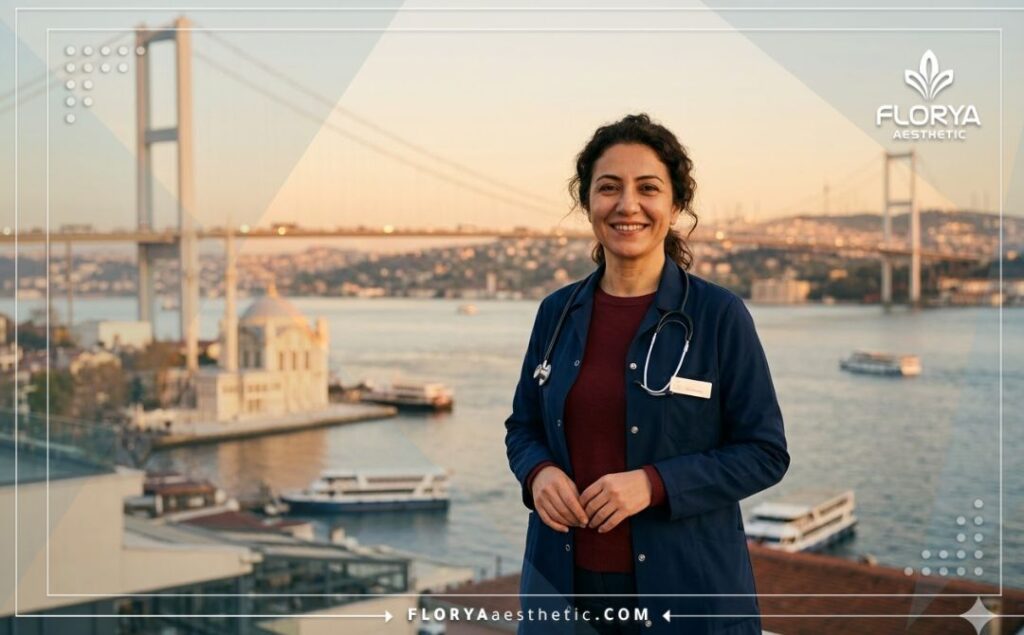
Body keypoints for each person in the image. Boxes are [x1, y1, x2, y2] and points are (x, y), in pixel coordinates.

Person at [504, 114, 790, 635]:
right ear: (587, 203)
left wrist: (654, 485)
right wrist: (537, 473)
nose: (627, 205)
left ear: (675, 205)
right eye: (608, 188)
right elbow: (521, 428)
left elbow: (764, 453)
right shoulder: (555, 313)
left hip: (686, 598)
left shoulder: (719, 316)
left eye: (648, 188)